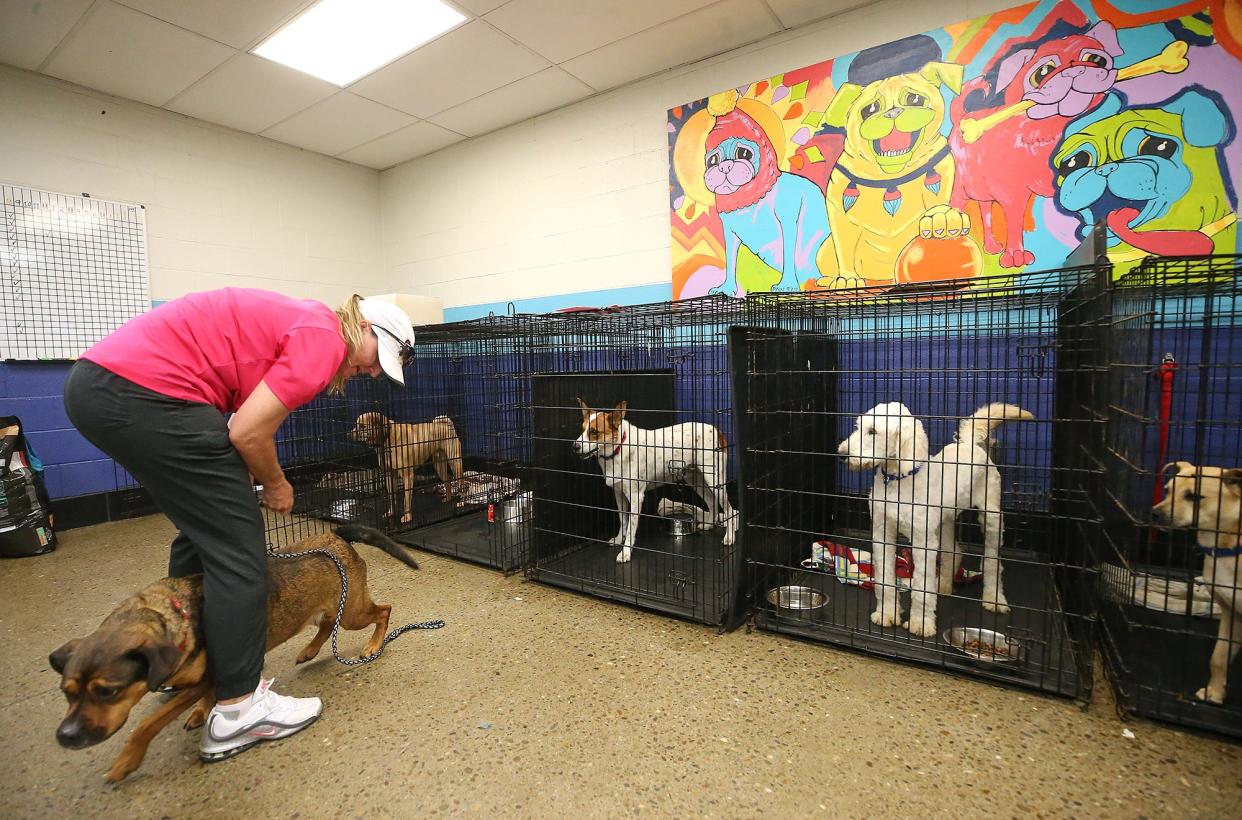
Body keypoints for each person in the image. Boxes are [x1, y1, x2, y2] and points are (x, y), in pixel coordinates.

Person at [62, 287, 415, 762]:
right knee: (240, 554)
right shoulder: (326, 339)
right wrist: (276, 484)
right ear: (366, 328)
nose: (372, 372)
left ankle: (180, 662)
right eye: (379, 359)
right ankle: (238, 710)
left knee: (203, 533)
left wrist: (242, 465)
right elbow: (248, 431)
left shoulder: (304, 321)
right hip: (147, 395)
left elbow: (239, 420)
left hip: (100, 388)